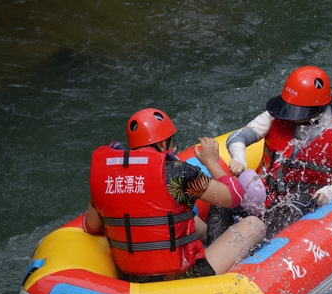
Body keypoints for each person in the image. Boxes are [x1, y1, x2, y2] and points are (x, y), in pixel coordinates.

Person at [84, 108, 266, 282]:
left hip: (132, 279)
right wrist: (211, 162)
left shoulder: (108, 177)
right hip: (185, 277)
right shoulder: (177, 173)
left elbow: (90, 226)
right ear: (163, 143)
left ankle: (210, 242)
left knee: (178, 214)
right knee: (254, 224)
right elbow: (234, 196)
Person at [225, 66, 332, 235]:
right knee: (221, 202)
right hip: (261, 193)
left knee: (286, 215)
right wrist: (239, 158)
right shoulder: (273, 116)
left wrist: (331, 191)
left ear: (318, 111)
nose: (292, 117)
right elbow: (237, 137)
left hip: (299, 203)